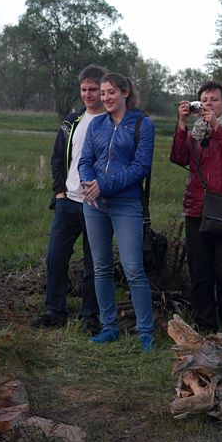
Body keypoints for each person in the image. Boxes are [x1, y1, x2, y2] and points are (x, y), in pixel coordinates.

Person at [78, 72, 156, 352]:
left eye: (111, 92)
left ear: (125, 92)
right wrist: (89, 183)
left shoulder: (142, 124)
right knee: (100, 268)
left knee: (134, 269)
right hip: (95, 204)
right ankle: (109, 326)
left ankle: (145, 332)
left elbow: (140, 168)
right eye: (103, 92)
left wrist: (104, 184)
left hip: (126, 204)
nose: (106, 97)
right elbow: (85, 160)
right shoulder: (97, 124)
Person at [32, 65, 107, 335]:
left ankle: (91, 314)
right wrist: (59, 191)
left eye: (93, 89)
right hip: (68, 201)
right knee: (56, 256)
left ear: (104, 90)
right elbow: (57, 158)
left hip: (96, 204)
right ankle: (55, 310)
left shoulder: (112, 121)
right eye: (84, 89)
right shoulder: (72, 121)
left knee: (93, 261)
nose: (88, 94)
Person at [169, 82, 222, 332]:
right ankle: (205, 325)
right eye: (204, 100)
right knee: (200, 271)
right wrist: (181, 124)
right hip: (197, 208)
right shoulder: (194, 133)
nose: (208, 104)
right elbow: (178, 158)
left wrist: (215, 126)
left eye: (214, 100)